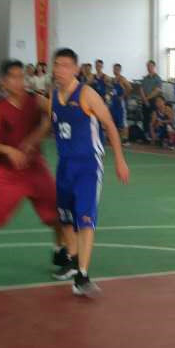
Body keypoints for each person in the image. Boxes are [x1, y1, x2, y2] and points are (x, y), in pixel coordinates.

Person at [0, 60, 66, 271]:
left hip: (35, 167)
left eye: (21, 76)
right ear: (3, 82)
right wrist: (9, 150)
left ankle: (59, 250)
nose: (19, 81)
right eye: (13, 77)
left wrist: (37, 135)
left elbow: (55, 114)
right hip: (8, 171)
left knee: (57, 212)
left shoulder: (36, 100)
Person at [49, 47, 130, 295]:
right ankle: (74, 262)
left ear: (75, 69)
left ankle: (82, 276)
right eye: (56, 64)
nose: (59, 69)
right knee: (65, 219)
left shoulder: (87, 94)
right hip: (64, 165)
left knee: (85, 219)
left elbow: (110, 125)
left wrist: (119, 160)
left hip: (88, 166)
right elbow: (51, 127)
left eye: (65, 65)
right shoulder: (53, 97)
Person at [107, 63, 131, 144]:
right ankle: (117, 138)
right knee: (114, 120)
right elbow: (112, 90)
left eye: (117, 69)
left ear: (120, 70)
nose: (115, 70)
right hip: (113, 103)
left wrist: (123, 96)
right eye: (114, 69)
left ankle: (126, 139)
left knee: (123, 121)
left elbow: (129, 88)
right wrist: (110, 96)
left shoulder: (122, 79)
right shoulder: (112, 79)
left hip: (120, 104)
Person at [140, 60, 163, 133]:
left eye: (150, 66)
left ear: (153, 66)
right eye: (147, 66)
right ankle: (145, 134)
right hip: (145, 101)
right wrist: (144, 99)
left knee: (153, 118)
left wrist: (146, 99)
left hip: (154, 101)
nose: (148, 67)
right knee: (145, 118)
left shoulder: (157, 78)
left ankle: (153, 134)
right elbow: (141, 89)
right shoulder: (145, 78)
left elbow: (157, 91)